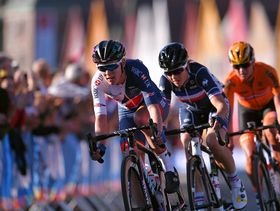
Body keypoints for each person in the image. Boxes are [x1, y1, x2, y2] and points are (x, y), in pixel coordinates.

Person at [158, 42, 247, 210]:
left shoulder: (199, 72)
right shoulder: (166, 80)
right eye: (169, 72)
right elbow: (163, 110)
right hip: (190, 109)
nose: (173, 76)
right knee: (186, 141)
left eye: (178, 71)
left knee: (212, 140)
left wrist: (219, 122)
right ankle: (198, 195)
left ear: (186, 65)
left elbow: (221, 105)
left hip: (215, 106)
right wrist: (159, 126)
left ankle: (235, 182)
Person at [89, 39, 180, 193]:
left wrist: (157, 128)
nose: (107, 73)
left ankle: (168, 167)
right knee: (127, 150)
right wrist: (101, 145)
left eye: (112, 67)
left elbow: (152, 105)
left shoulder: (136, 69)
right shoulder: (97, 82)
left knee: (141, 118)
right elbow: (101, 118)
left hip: (153, 104)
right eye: (102, 68)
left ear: (123, 62)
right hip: (126, 109)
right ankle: (146, 178)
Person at [224, 41, 280, 202]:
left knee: (272, 132)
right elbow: (227, 112)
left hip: (267, 107)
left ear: (253, 61)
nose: (241, 70)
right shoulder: (230, 82)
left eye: (245, 65)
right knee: (249, 154)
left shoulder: (267, 72)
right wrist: (228, 137)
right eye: (236, 67)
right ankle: (259, 194)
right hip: (246, 112)